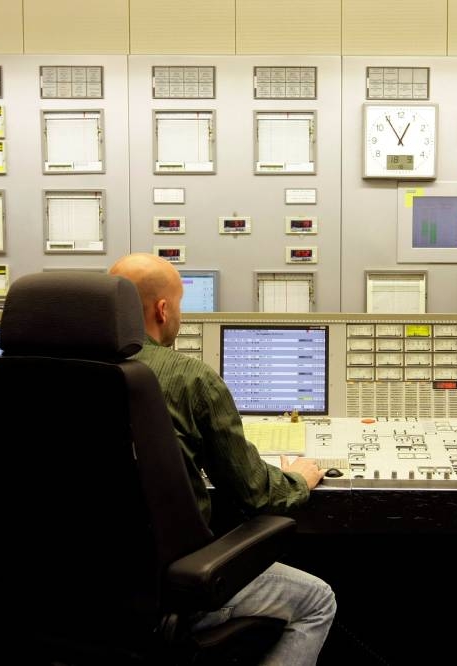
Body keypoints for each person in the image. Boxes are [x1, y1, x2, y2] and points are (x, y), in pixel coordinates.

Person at [108, 253, 335, 666]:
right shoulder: (190, 377)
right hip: (163, 590)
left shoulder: (43, 371)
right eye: (178, 304)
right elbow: (255, 493)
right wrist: (297, 479)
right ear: (163, 310)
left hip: (60, 586)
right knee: (318, 600)